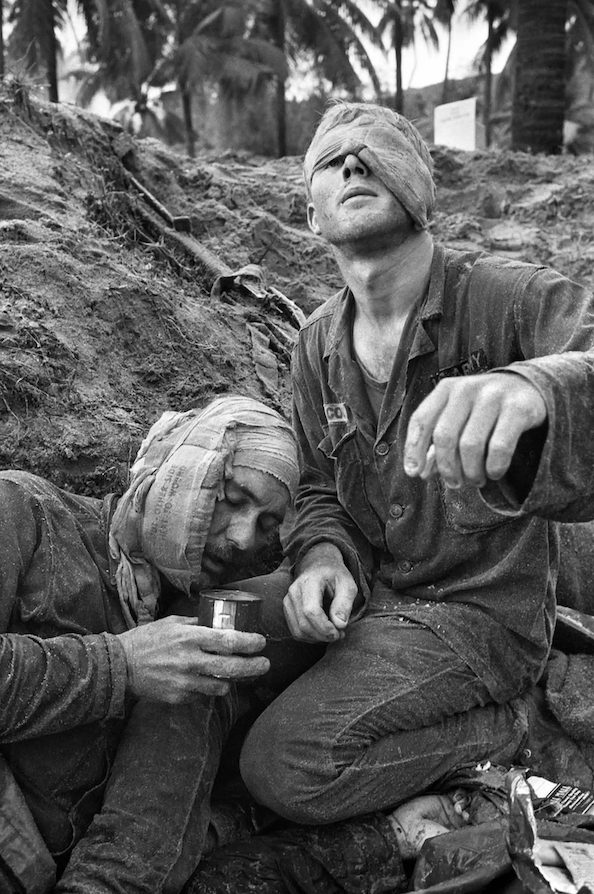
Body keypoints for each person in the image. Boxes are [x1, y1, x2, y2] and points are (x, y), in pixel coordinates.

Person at [237, 101, 594, 829]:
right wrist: (322, 559)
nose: (351, 163)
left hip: (481, 617)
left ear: (423, 192)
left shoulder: (507, 298)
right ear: (311, 217)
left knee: (284, 764)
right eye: (332, 160)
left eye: (376, 153)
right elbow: (315, 483)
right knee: (215, 641)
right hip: (374, 593)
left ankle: (508, 726)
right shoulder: (316, 345)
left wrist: (536, 388)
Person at [0, 394, 308, 894]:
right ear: (180, 468)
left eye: (267, 526)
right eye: (232, 499)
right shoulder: (24, 510)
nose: (243, 538)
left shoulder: (195, 627)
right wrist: (121, 665)